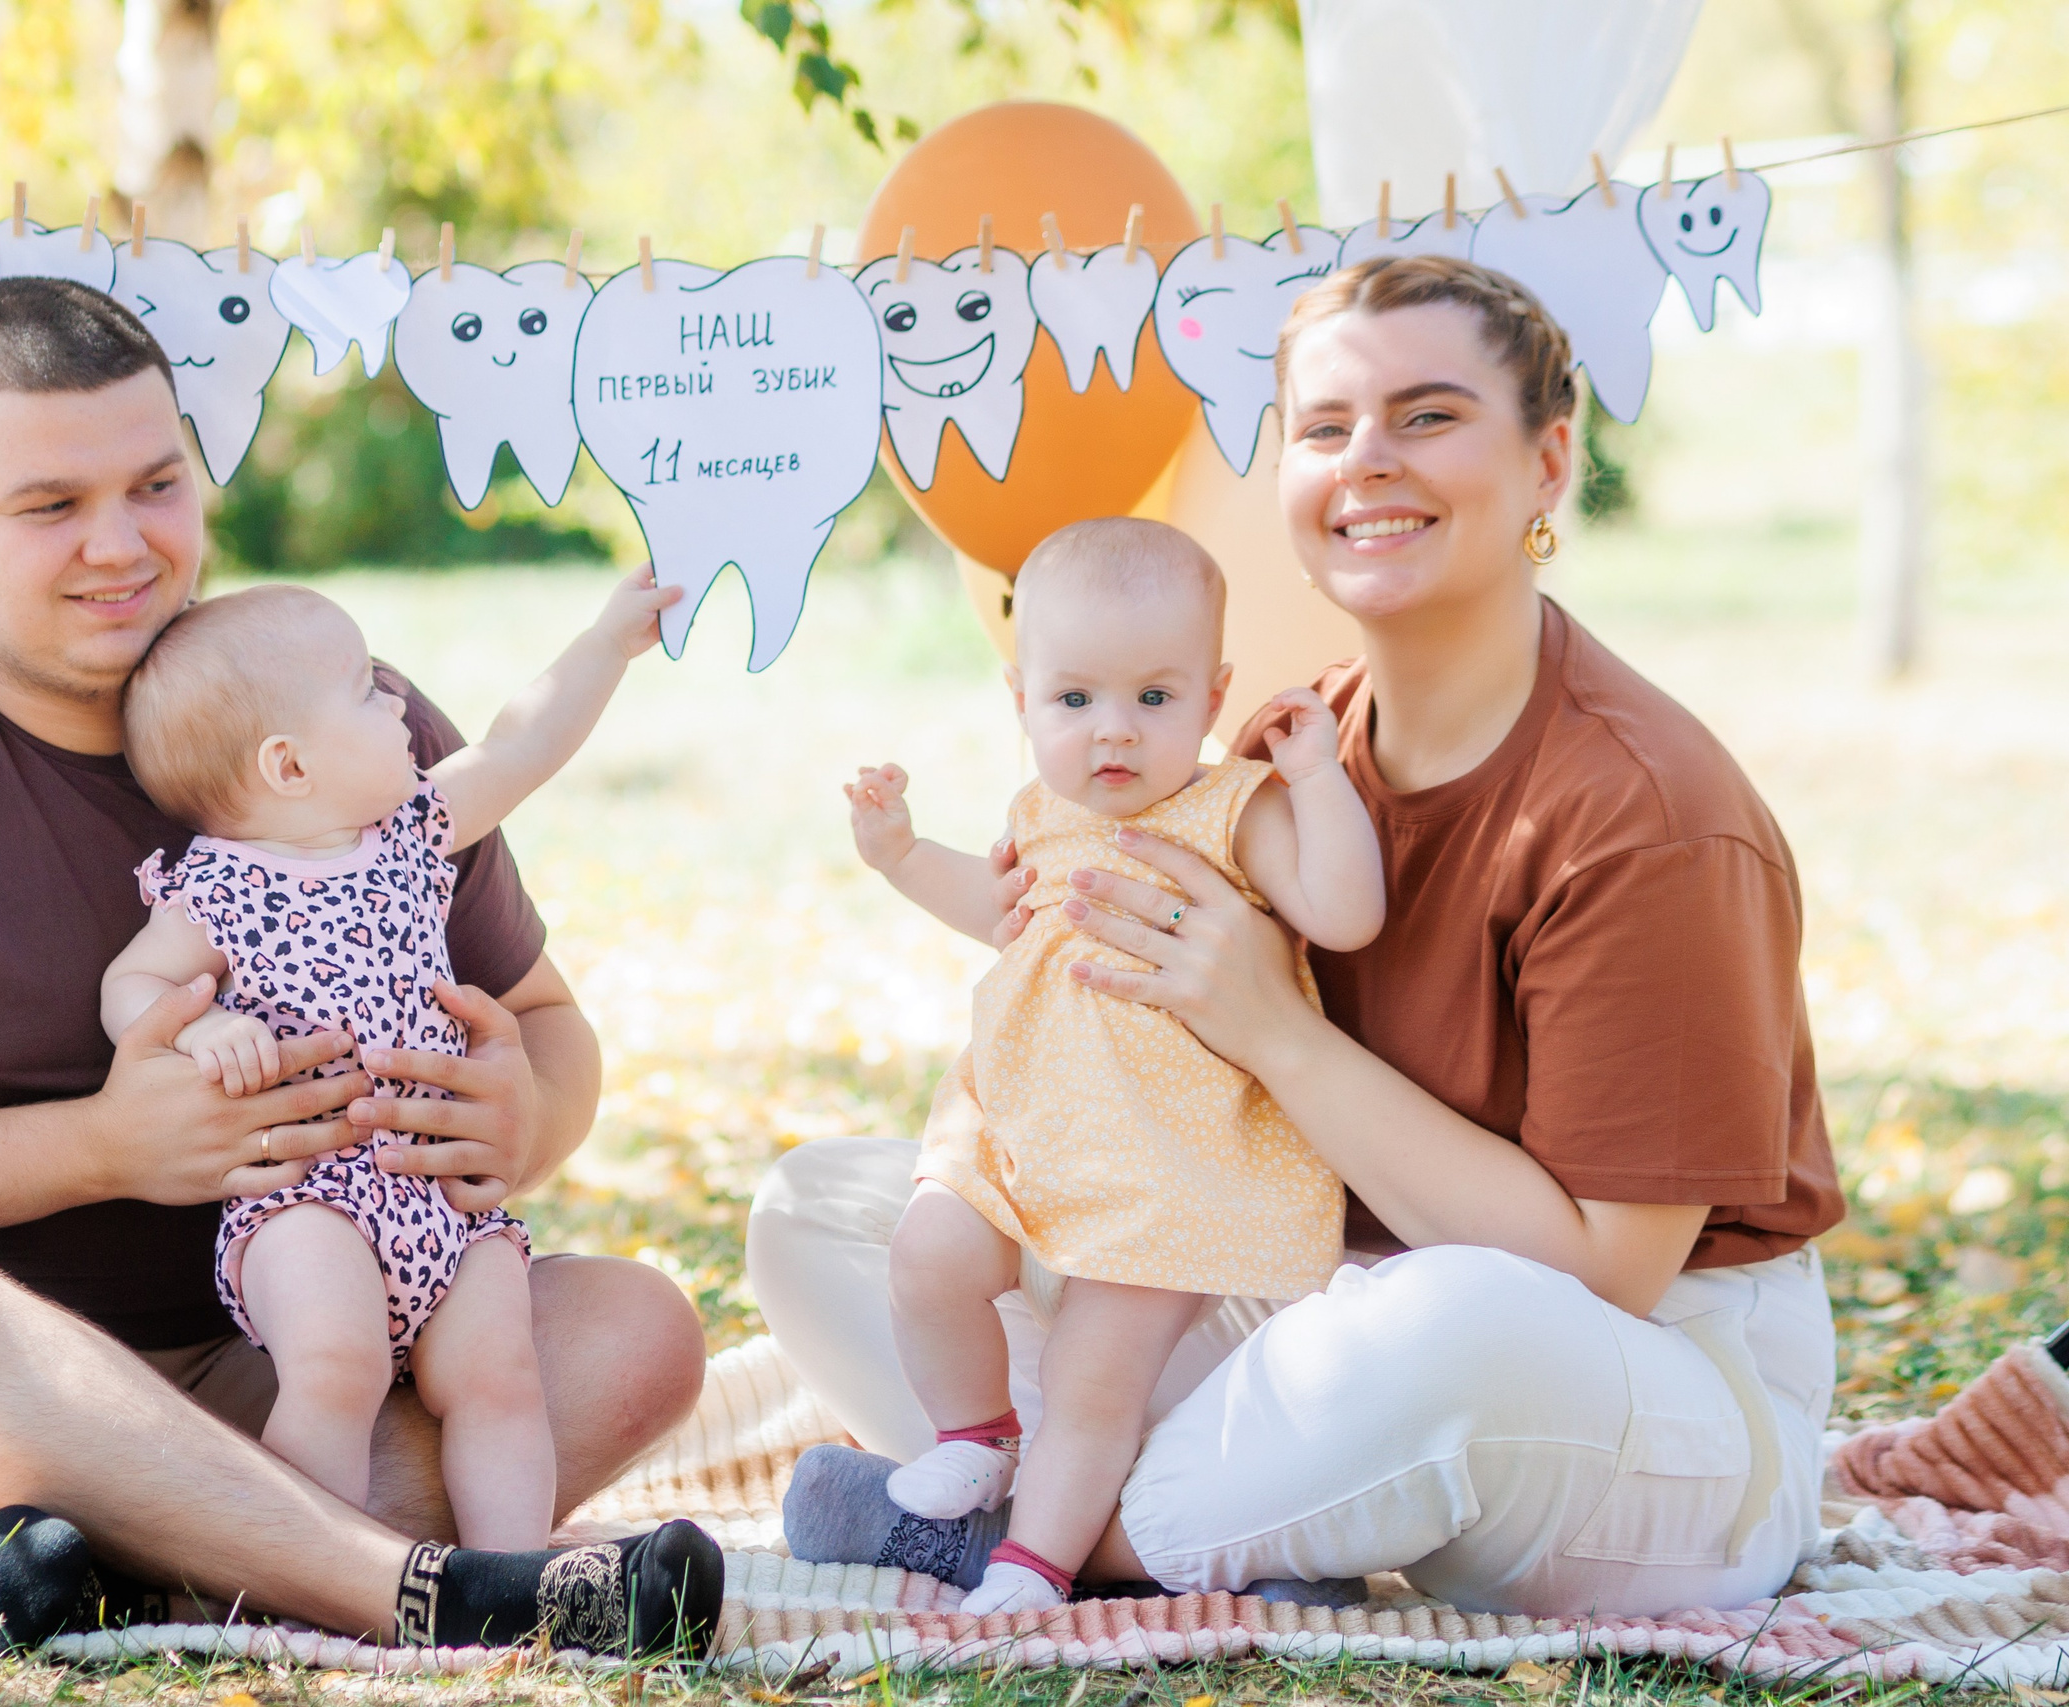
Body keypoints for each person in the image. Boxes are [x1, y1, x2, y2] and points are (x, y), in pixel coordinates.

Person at [0, 277, 719, 1656]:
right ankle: (402, 1583)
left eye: (155, 483)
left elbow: (550, 1027)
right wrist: (103, 1145)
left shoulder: (327, 720)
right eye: (50, 506)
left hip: (275, 1356)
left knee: (637, 1327)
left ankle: (115, 1567)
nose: (121, 545)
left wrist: (523, 1114)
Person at [762, 255, 1846, 1620]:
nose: (1368, 462)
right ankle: (1142, 1508)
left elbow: (1599, 1270)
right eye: (1326, 428)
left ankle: (1064, 1535)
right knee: (836, 1212)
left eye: (1430, 416)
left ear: (1549, 461)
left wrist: (1269, 1019)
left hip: (1635, 1374)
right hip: (1330, 1284)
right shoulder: (1285, 749)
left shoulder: (1649, 817)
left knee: (1442, 1329)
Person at [840, 517, 1382, 1615]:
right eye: (1074, 700)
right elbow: (996, 916)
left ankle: (1033, 1563)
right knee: (927, 1256)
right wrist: (899, 853)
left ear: (1214, 694)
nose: (1113, 733)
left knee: (1095, 1376)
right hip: (1021, 1123)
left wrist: (1318, 779)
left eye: (1155, 697)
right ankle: (978, 1435)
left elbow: (1345, 912)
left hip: (1164, 1156)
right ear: (1021, 699)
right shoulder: (1039, 814)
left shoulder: (1234, 808)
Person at [105, 573, 675, 1546]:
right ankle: (308, 1576)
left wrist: (608, 642)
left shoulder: (412, 833)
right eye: (367, 689)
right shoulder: (217, 889)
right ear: (287, 766)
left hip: (441, 1199)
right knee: (337, 1369)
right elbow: (129, 989)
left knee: (498, 1379)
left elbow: (519, 745)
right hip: (311, 1199)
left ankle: (512, 1575)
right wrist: (200, 1031)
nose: (400, 702)